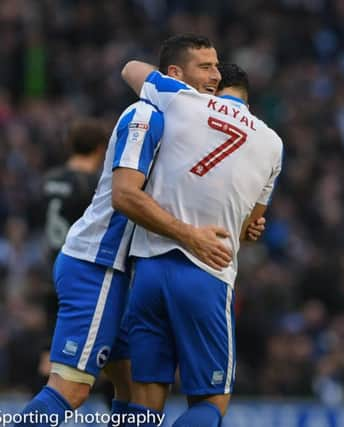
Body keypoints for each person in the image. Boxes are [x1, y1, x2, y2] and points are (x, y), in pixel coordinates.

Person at [19, 34, 252, 426]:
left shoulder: (187, 132)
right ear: (175, 75)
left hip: (130, 276)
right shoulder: (146, 116)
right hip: (100, 264)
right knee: (72, 388)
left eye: (217, 66)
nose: (216, 75)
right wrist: (190, 236)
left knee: (132, 395)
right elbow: (125, 198)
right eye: (206, 67)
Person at [120, 62, 283, 426]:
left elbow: (131, 69)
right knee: (211, 402)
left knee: (144, 400)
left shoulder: (183, 102)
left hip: (148, 268)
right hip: (206, 273)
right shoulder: (272, 143)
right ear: (248, 98)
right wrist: (247, 228)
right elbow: (246, 228)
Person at [39, 118, 107, 385]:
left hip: (49, 269)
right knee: (97, 355)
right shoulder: (93, 184)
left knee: (49, 352)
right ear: (101, 148)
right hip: (80, 272)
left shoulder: (50, 179)